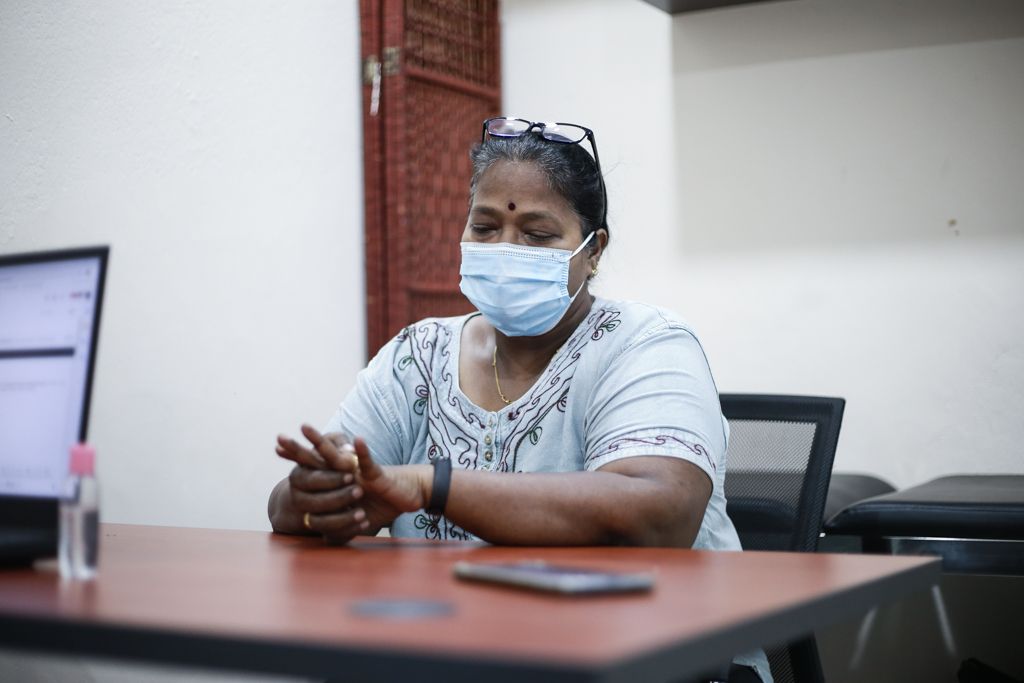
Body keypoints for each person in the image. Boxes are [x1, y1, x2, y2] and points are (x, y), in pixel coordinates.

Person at [268, 117, 771, 683]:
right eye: (484, 227)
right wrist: (319, 495)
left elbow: (659, 515)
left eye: (537, 235)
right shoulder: (418, 354)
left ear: (593, 250)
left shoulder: (645, 344)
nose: (505, 249)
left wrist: (431, 485)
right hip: (455, 653)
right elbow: (291, 508)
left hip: (650, 660)